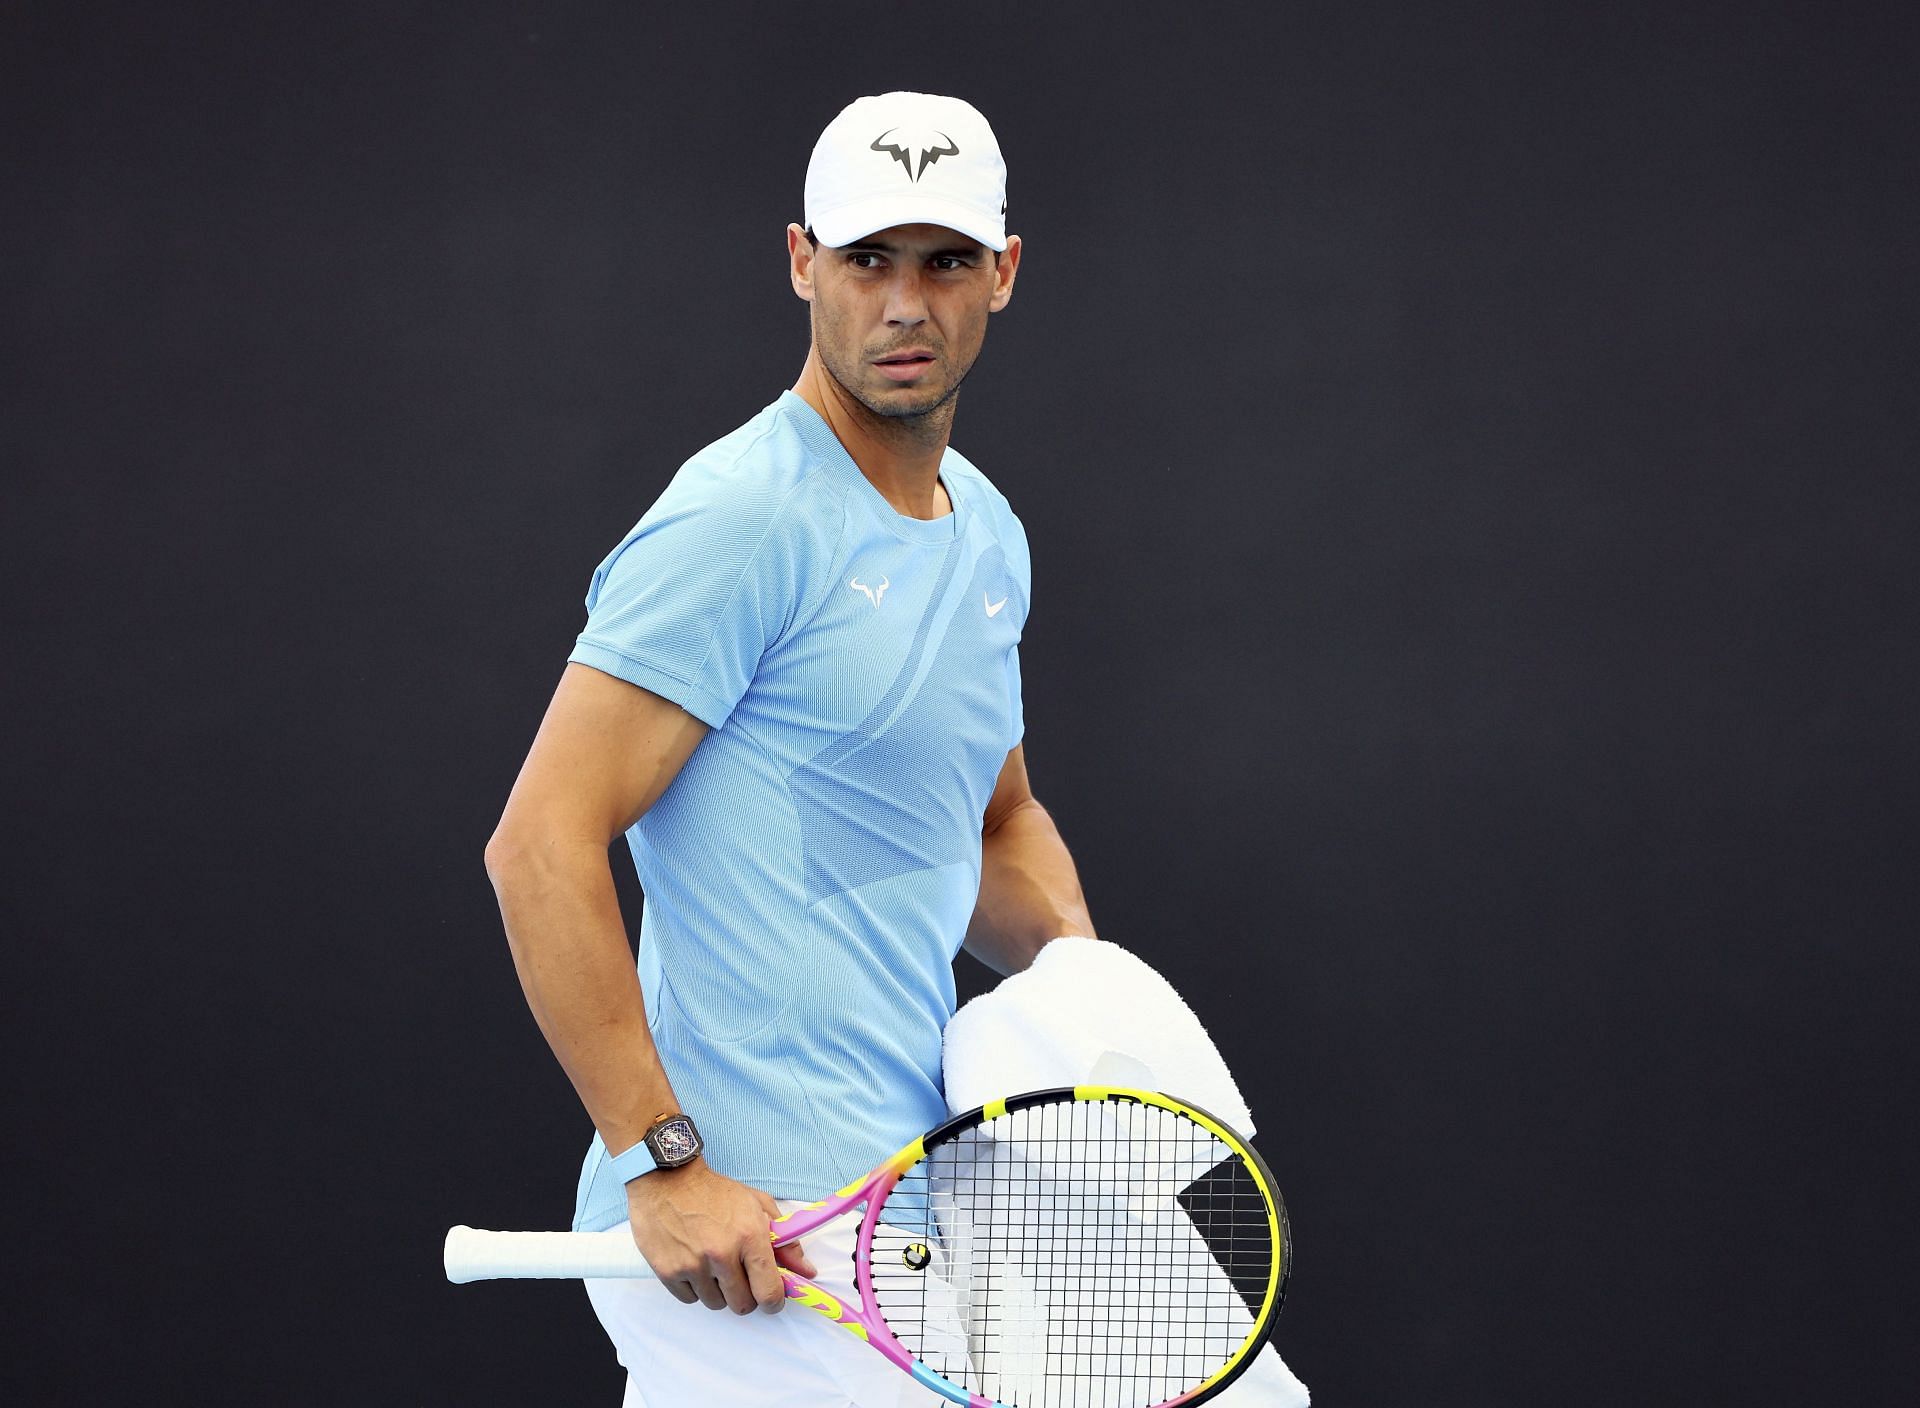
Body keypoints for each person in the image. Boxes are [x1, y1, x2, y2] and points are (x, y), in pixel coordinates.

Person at [484, 91, 1096, 1407]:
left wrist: (1094, 1004)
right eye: (868, 258)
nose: (903, 303)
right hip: (747, 1245)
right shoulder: (741, 520)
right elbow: (537, 846)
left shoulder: (986, 533)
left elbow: (988, 825)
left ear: (1005, 273)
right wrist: (664, 1165)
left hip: (891, 1220)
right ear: (801, 260)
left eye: (943, 261)